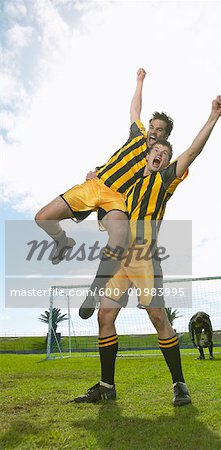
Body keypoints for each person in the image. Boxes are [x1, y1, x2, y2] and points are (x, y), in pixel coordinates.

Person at [73, 95, 221, 406]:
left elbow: (193, 151)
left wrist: (213, 117)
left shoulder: (166, 180)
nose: (158, 153)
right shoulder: (125, 185)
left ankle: (179, 384)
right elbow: (101, 190)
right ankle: (106, 386)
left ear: (167, 162)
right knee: (105, 315)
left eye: (164, 152)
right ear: (147, 155)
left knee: (157, 314)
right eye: (154, 150)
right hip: (118, 259)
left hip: (144, 256)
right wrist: (94, 175)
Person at [35, 69, 173, 307]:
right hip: (95, 185)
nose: (153, 131)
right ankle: (62, 242)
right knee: (42, 218)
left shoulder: (160, 160)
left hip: (116, 199)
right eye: (153, 126)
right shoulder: (138, 134)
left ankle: (96, 289)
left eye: (160, 130)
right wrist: (139, 82)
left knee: (119, 236)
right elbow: (134, 110)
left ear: (166, 135)